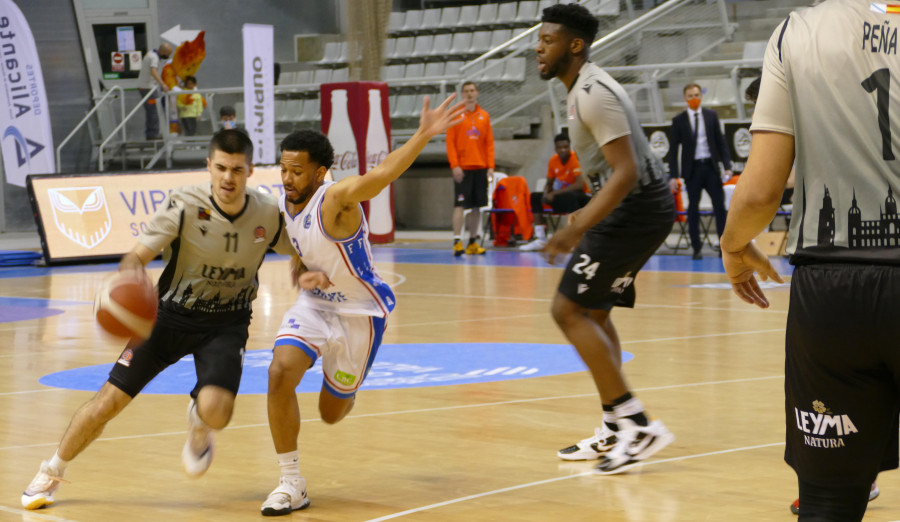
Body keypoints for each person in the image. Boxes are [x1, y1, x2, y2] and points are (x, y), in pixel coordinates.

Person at [21, 129, 292, 510]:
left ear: (249, 171)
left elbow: (296, 247)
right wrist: (130, 279)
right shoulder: (183, 204)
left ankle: (198, 423)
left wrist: (305, 269)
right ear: (208, 166)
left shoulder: (266, 212)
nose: (228, 177)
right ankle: (51, 470)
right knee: (106, 403)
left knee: (217, 411)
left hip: (226, 324)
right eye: (220, 168)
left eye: (237, 169)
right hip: (166, 319)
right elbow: (136, 256)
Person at [720, 1, 899, 519]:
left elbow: (759, 194)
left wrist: (733, 246)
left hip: (831, 292)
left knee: (826, 502)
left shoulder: (796, 32)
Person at [260, 95, 465, 516]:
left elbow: (385, 173)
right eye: (283, 169)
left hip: (361, 314)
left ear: (320, 171)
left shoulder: (338, 197)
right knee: (280, 372)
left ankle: (348, 383)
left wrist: (424, 134)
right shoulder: (284, 203)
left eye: (297, 171)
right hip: (315, 305)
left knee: (331, 413)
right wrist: (302, 277)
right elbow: (298, 258)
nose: (287, 178)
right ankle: (290, 481)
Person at [535, 3, 675, 474]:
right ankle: (617, 426)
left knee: (566, 310)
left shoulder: (595, 93)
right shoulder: (581, 87)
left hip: (636, 208)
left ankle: (636, 425)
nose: (539, 46)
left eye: (548, 39)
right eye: (539, 38)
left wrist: (575, 227)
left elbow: (626, 172)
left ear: (575, 45)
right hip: (637, 207)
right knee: (592, 312)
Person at [667, 82, 734, 259]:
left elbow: (720, 142)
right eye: (690, 96)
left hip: (711, 167)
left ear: (701, 96)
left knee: (720, 207)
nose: (694, 99)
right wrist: (673, 175)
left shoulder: (711, 116)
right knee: (693, 209)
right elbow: (673, 150)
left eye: (697, 95)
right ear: (685, 98)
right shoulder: (679, 120)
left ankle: (723, 246)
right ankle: (696, 247)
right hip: (693, 170)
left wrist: (727, 165)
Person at [446, 81, 494, 256]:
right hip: (463, 169)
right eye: (466, 91)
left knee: (476, 207)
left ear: (477, 93)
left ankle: (473, 242)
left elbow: (489, 143)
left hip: (480, 167)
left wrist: (490, 166)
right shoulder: (456, 116)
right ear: (462, 94)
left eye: (472, 90)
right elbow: (450, 143)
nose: (469, 93)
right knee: (459, 205)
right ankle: (457, 241)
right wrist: (455, 165)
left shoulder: (484, 116)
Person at [520, 132, 591, 251]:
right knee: (535, 197)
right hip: (564, 196)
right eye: (560, 147)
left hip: (582, 197)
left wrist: (554, 194)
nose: (563, 150)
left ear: (570, 147)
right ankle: (540, 238)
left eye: (566, 147)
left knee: (571, 197)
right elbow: (549, 183)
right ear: (555, 148)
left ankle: (574, 239)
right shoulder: (553, 161)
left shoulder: (575, 159)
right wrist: (546, 193)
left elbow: (579, 185)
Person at [137, 43, 173, 140]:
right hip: (148, 88)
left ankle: (151, 134)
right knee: (154, 111)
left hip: (145, 87)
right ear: (163, 52)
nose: (168, 56)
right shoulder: (155, 58)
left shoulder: (150, 54)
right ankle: (153, 135)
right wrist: (163, 84)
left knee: (151, 111)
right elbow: (153, 71)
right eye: (168, 54)